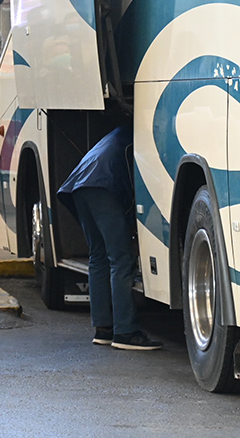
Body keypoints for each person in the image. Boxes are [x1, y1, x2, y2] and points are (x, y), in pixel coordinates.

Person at [57, 125, 163, 351]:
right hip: (103, 186)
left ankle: (103, 328)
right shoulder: (144, 138)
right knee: (121, 260)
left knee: (98, 257)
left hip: (79, 186)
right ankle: (126, 331)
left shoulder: (119, 133)